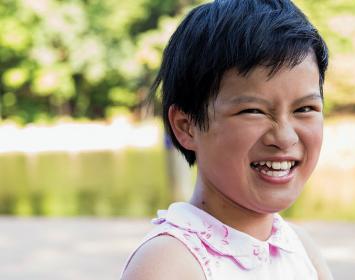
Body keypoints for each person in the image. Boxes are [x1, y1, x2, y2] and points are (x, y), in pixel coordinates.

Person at [121, 0, 333, 279]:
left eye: (304, 109)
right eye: (253, 111)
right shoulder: (170, 264)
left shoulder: (299, 247)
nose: (284, 137)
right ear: (187, 127)